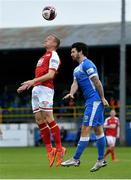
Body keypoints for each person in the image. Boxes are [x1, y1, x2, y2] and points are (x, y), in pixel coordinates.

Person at [17, 34, 66, 167]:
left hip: (46, 90)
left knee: (49, 118)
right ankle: (50, 150)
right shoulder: (43, 56)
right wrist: (29, 84)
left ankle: (60, 149)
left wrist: (33, 81)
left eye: (49, 39)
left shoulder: (54, 55)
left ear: (55, 44)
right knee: (39, 120)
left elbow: (50, 75)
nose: (46, 39)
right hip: (37, 89)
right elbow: (40, 75)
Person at [61, 42, 109, 172]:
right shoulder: (77, 69)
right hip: (90, 101)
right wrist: (71, 93)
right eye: (71, 52)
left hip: (95, 100)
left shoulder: (88, 64)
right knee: (98, 130)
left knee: (85, 128)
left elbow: (97, 82)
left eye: (73, 51)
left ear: (80, 51)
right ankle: (100, 160)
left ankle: (76, 158)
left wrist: (102, 97)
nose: (71, 54)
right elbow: (75, 83)